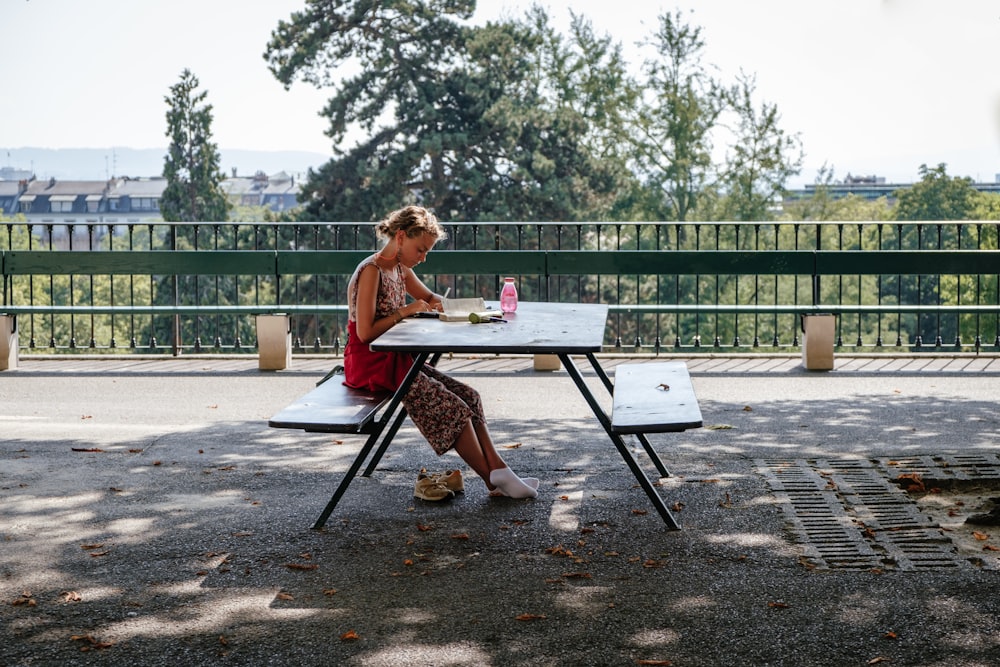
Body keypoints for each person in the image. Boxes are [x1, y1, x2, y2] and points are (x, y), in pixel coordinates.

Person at [343, 205, 538, 500]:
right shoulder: (372, 271)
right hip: (370, 362)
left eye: (427, 252)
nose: (423, 258)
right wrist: (405, 311)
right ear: (400, 237)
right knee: (450, 406)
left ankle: (498, 470)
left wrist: (473, 310)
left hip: (395, 358)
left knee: (469, 396)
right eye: (420, 249)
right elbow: (365, 333)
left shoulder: (399, 269)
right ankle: (492, 478)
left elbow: (432, 298)